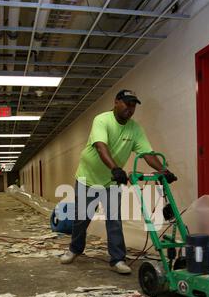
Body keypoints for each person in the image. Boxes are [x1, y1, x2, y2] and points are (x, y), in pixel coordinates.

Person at [60, 89, 176, 274]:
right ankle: (74, 249)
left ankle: (117, 259)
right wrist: (115, 168)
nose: (130, 109)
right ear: (116, 102)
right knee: (82, 218)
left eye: (133, 106)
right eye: (126, 104)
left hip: (112, 181)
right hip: (87, 178)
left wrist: (164, 170)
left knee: (114, 220)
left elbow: (146, 154)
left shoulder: (135, 129)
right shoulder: (102, 120)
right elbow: (100, 146)